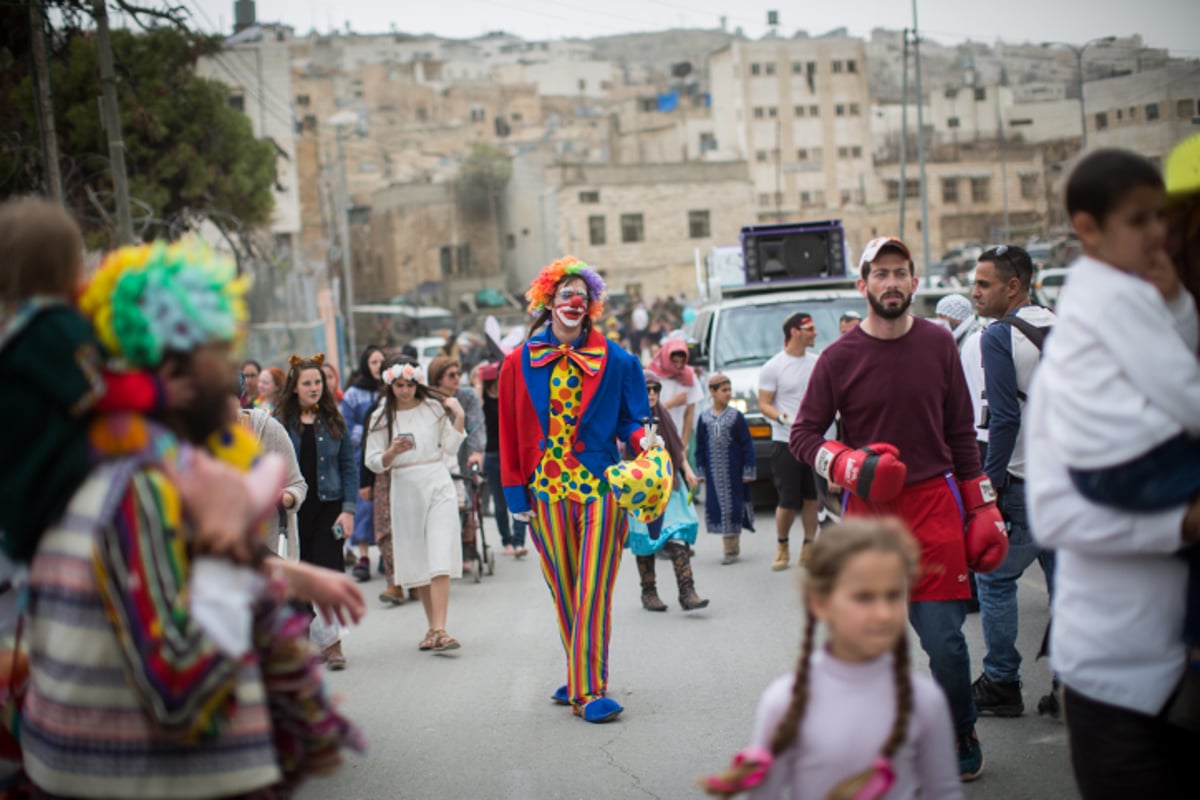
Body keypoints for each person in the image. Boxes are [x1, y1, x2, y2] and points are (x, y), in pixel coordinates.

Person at [19, 239, 364, 799]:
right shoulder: (137, 487)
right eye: (215, 351)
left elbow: (169, 566)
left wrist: (277, 570)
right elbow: (180, 687)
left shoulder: (124, 465)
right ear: (172, 371)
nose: (234, 373)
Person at [791, 236, 1008, 782]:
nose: (890, 283)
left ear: (914, 281)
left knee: (946, 643)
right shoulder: (838, 358)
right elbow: (803, 435)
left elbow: (960, 431)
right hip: (870, 513)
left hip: (934, 505)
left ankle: (960, 727)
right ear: (862, 285)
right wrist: (845, 466)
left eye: (900, 272)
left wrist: (981, 503)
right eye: (879, 274)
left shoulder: (938, 344)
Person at [1026, 147, 1200, 796]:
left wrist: (1177, 304)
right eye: (1143, 220)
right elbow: (1057, 512)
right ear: (1089, 227)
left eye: (1166, 220)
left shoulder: (1153, 306)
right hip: (1122, 674)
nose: (1158, 236)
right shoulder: (1092, 325)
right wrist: (1183, 523)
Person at [701, 519, 962, 799]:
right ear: (820, 603)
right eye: (864, 597)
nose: (884, 613)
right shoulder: (784, 702)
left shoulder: (926, 701)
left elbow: (944, 792)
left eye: (894, 595)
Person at [497, 256, 651, 723]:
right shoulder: (515, 365)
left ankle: (588, 690)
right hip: (544, 491)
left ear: (592, 306)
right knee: (564, 588)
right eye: (565, 293)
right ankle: (579, 669)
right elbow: (507, 432)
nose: (574, 300)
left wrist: (645, 443)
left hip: (601, 487)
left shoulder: (619, 359)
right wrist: (514, 498)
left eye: (582, 294)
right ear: (548, 301)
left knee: (592, 587)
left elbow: (633, 420)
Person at [0, 198, 183, 569]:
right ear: (67, 268)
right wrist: (159, 392)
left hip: (19, 486)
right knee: (145, 443)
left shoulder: (21, 329)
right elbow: (101, 390)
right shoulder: (56, 328)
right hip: (53, 479)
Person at [969, 244, 1058, 717]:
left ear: (1013, 286)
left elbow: (1004, 419)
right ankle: (1069, 686)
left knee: (995, 580)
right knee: (1065, 586)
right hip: (1070, 482)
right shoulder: (1059, 323)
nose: (974, 292)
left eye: (983, 284)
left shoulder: (998, 336)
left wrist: (989, 486)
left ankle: (1002, 681)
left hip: (1023, 483)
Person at [365, 358, 466, 651]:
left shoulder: (434, 408)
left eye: (410, 384)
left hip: (437, 482)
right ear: (390, 385)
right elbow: (372, 462)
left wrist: (458, 416)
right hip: (405, 487)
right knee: (418, 558)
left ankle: (441, 628)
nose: (406, 390)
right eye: (399, 385)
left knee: (439, 554)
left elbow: (449, 446)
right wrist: (391, 452)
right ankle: (432, 628)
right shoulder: (382, 416)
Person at [276, 354, 358, 670]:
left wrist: (348, 510)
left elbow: (348, 468)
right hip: (293, 508)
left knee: (327, 572)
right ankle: (308, 641)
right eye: (307, 383)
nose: (314, 388)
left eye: (318, 382)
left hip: (329, 506)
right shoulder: (280, 421)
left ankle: (333, 643)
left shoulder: (333, 419)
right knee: (298, 575)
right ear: (294, 388)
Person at [631, 370, 707, 612]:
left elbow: (676, 448)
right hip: (640, 490)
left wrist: (687, 470)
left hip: (668, 485)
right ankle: (648, 592)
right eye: (647, 389)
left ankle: (687, 592)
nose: (652, 394)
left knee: (678, 536)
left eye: (656, 389)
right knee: (646, 541)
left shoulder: (662, 414)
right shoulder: (629, 416)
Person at [758, 312, 821, 571]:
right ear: (794, 332)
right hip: (786, 441)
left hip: (815, 441)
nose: (815, 333)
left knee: (812, 498)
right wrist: (784, 419)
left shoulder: (818, 362)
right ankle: (782, 545)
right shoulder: (773, 366)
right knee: (787, 500)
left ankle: (809, 546)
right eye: (809, 328)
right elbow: (764, 403)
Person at [429, 355, 487, 571]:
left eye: (458, 374)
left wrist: (476, 452)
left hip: (462, 453)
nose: (456, 379)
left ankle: (468, 547)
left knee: (467, 499)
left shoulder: (467, 396)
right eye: (450, 375)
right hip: (438, 455)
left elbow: (476, 425)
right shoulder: (429, 400)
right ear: (437, 379)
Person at [695, 374, 756, 565]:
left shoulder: (736, 417)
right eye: (724, 390)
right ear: (712, 392)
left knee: (733, 506)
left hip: (734, 472)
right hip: (714, 473)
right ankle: (729, 546)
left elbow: (747, 444)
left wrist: (748, 470)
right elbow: (700, 446)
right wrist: (700, 470)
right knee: (719, 507)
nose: (728, 394)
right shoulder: (704, 418)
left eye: (729, 390)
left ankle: (731, 550)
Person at [341, 346, 385, 582]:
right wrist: (372, 431)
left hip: (387, 457)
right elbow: (346, 428)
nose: (378, 366)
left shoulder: (391, 390)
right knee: (364, 508)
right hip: (361, 458)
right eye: (374, 361)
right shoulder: (353, 394)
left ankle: (388, 556)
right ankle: (364, 555)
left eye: (381, 361)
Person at [479, 361, 529, 557]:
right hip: (491, 455)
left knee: (519, 498)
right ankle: (506, 541)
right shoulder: (481, 399)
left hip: (513, 453)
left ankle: (518, 543)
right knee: (499, 504)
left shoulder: (511, 397)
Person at [647, 338, 703, 448]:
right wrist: (671, 403)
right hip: (654, 438)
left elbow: (689, 413)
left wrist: (683, 444)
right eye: (674, 361)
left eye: (681, 362)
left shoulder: (689, 377)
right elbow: (646, 410)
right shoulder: (652, 376)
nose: (678, 366)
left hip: (678, 437)